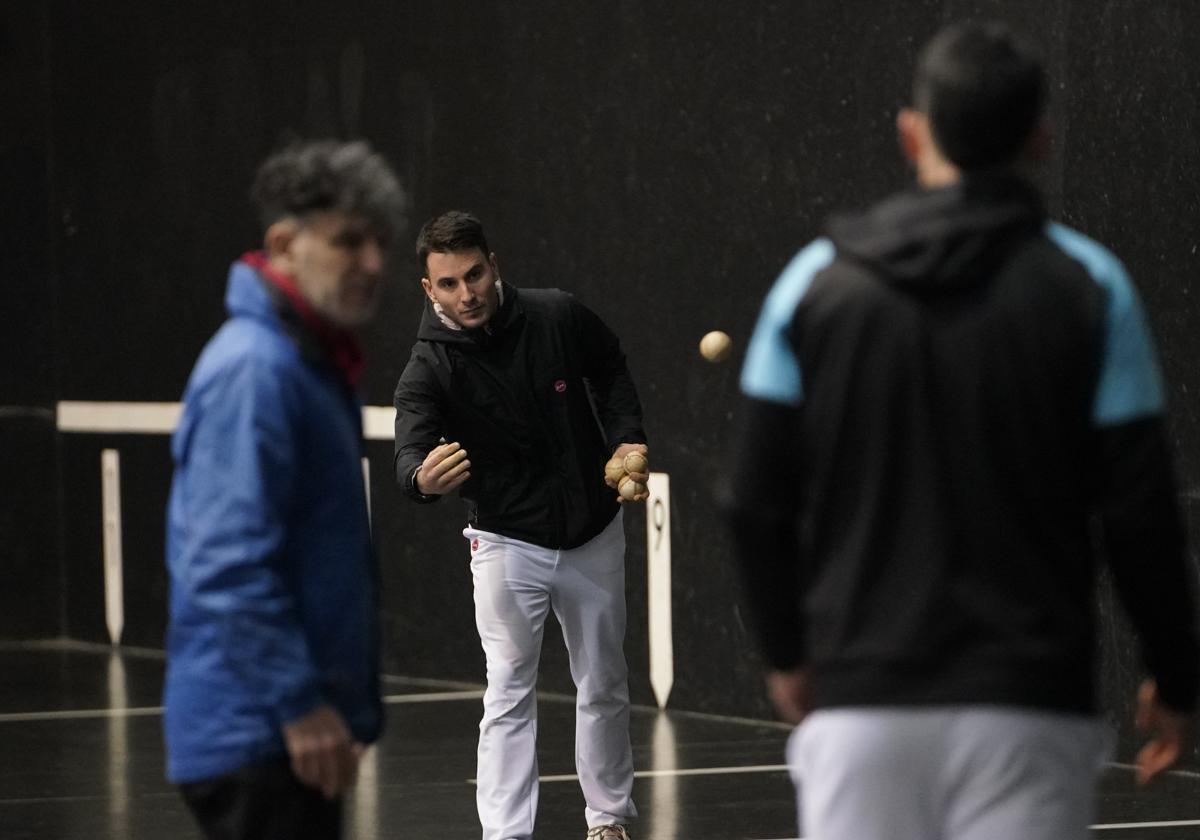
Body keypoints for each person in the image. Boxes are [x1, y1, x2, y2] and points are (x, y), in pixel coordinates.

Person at [723, 20, 1199, 840]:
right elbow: (1141, 514)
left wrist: (789, 659)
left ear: (912, 135)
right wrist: (1177, 674)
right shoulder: (1093, 289)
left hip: (859, 705)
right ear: (1042, 140)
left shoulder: (812, 284)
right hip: (1029, 708)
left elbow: (753, 503)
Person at [163, 140, 406, 840]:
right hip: (258, 734)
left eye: (380, 244)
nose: (373, 265)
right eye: (349, 242)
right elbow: (226, 562)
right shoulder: (256, 371)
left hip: (280, 736)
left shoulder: (308, 364)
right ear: (283, 244)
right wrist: (299, 705)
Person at [393, 211, 645, 840]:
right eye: (448, 284)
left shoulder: (556, 314)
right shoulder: (430, 366)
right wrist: (420, 480)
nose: (466, 293)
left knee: (604, 678)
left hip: (592, 528)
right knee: (507, 688)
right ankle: (505, 834)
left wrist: (626, 440)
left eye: (473, 274)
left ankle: (608, 820)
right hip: (506, 540)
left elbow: (609, 364)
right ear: (430, 291)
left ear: (493, 264)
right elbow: (409, 447)